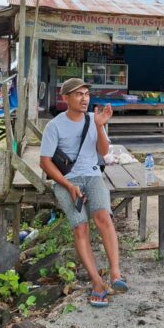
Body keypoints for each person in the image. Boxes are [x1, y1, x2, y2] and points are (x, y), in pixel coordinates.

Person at [39, 78, 127, 308]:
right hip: (66, 180)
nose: (84, 98)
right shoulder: (55, 126)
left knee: (103, 217)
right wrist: (68, 185)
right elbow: (45, 163)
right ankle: (97, 281)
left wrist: (99, 126)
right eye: (78, 94)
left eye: (86, 93)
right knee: (80, 226)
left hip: (93, 175)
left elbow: (104, 151)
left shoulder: (94, 119)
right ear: (65, 98)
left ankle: (116, 274)